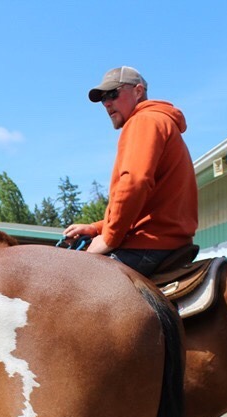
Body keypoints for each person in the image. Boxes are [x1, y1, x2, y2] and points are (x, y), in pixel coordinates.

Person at [64, 66, 198, 277]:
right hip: (166, 243)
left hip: (147, 245)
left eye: (113, 93)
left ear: (138, 91)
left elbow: (134, 183)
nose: (107, 103)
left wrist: (108, 238)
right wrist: (97, 228)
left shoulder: (143, 120)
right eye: (103, 99)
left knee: (69, 287)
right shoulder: (161, 122)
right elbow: (148, 206)